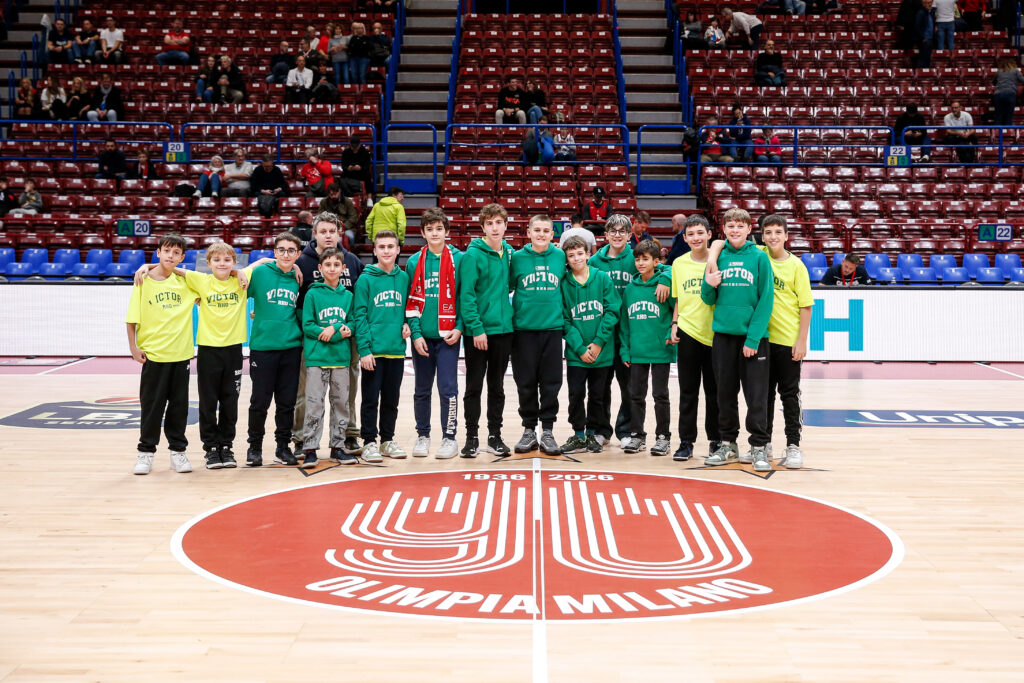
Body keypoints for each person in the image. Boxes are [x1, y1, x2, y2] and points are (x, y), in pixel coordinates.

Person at [134, 243, 269, 469]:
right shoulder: (200, 280)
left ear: (234, 262)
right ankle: (211, 450)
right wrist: (146, 266)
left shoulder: (241, 277)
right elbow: (172, 267)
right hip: (208, 350)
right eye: (217, 260)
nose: (222, 264)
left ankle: (226, 447)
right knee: (208, 403)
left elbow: (264, 261)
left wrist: (293, 267)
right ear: (208, 263)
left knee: (230, 403)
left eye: (227, 260)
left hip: (234, 350)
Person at [701, 208, 775, 472]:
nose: (735, 230)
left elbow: (766, 300)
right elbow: (707, 298)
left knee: (756, 396)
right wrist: (708, 283)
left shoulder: (759, 257)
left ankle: (759, 446)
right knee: (724, 394)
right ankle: (727, 444)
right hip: (723, 337)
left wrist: (753, 339)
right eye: (730, 226)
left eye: (740, 226)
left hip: (752, 339)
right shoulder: (717, 256)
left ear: (749, 229)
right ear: (724, 229)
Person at [589, 214, 671, 447]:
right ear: (606, 234)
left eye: (622, 231)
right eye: (613, 231)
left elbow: (665, 268)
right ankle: (601, 430)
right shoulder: (594, 261)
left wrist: (666, 279)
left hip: (630, 333)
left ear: (629, 235)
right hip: (603, 333)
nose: (617, 235)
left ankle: (627, 431)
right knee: (600, 386)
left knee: (629, 388)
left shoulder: (636, 257)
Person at [292, 213, 364, 456]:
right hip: (314, 338)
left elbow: (360, 296)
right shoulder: (302, 262)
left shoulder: (352, 261)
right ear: (314, 234)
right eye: (323, 232)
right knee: (307, 392)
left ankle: (348, 435)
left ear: (339, 233)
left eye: (332, 231)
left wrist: (346, 328)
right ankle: (301, 438)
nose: (328, 236)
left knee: (347, 390)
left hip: (345, 339)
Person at [126, 233, 196, 475]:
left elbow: (216, 279)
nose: (171, 256)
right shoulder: (143, 281)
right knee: (152, 407)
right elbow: (132, 318)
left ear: (182, 257)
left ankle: (178, 453)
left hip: (181, 355)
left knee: (179, 408)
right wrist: (133, 347)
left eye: (176, 253)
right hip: (154, 355)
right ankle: (145, 453)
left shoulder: (187, 283)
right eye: (167, 251)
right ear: (158, 252)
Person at [405, 208, 464, 459]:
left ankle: (450, 438)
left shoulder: (459, 259)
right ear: (422, 233)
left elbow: (464, 297)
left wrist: (460, 327)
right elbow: (410, 301)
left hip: (449, 337)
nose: (435, 233)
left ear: (447, 231)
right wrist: (416, 334)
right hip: (422, 338)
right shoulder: (413, 262)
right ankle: (423, 435)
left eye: (439, 228)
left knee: (448, 388)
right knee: (422, 389)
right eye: (429, 229)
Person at [458, 203, 515, 458]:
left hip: (503, 331)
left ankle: (495, 436)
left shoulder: (510, 253)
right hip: (478, 333)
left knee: (497, 387)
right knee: (473, 387)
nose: (494, 227)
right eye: (489, 223)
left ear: (506, 225)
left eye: (498, 222)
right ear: (482, 227)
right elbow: (467, 295)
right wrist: (476, 328)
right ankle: (471, 437)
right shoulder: (472, 255)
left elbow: (510, 285)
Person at [245, 232, 304, 467]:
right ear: (274, 252)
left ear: (298, 254)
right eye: (281, 250)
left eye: (291, 250)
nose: (286, 254)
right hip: (263, 348)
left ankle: (283, 447)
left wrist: (295, 267)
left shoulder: (299, 278)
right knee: (259, 402)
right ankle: (254, 448)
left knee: (286, 403)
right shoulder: (260, 273)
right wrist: (260, 261)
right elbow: (235, 279)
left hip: (291, 348)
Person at [757, 215, 811, 469]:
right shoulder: (758, 255)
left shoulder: (796, 266)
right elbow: (721, 243)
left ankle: (793, 445)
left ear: (787, 236)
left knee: (789, 395)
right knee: (763, 395)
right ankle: (764, 443)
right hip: (762, 340)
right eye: (768, 232)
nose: (773, 237)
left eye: (778, 232)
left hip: (788, 341)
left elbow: (806, 306)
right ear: (762, 236)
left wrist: (801, 341)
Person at [508, 215, 566, 456]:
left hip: (552, 329)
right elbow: (507, 287)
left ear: (552, 234)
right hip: (523, 330)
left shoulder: (560, 256)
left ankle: (548, 431)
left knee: (551, 383)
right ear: (529, 232)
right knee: (526, 382)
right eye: (537, 230)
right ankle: (529, 429)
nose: (541, 234)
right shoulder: (517, 258)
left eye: (546, 231)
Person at [352, 230, 411, 462]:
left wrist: (407, 324)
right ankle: (369, 442)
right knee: (370, 400)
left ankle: (387, 440)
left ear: (398, 250)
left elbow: (408, 309)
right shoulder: (365, 279)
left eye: (390, 246)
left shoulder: (403, 278)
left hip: (396, 349)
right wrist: (364, 350)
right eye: (382, 247)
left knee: (391, 400)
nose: (386, 251)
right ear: (375, 251)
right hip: (373, 352)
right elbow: (359, 317)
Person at [559, 235, 621, 454]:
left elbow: (612, 311)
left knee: (597, 396)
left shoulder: (602, 278)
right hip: (577, 355)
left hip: (602, 352)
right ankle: (578, 435)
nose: (576, 258)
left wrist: (598, 342)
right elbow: (565, 320)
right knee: (576, 394)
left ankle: (593, 434)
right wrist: (579, 348)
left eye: (580, 253)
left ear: (588, 254)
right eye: (571, 255)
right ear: (566, 259)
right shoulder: (564, 284)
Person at [619, 239, 677, 457]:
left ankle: (663, 437)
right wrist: (625, 349)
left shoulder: (664, 285)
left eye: (645, 259)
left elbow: (676, 310)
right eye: (638, 259)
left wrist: (671, 332)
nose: (641, 263)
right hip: (637, 351)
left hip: (661, 349)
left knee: (660, 395)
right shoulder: (630, 289)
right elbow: (624, 323)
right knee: (636, 395)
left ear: (656, 262)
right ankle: (637, 435)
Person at [300, 247, 357, 468]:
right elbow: (307, 325)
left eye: (336, 265)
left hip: (341, 359)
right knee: (314, 405)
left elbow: (351, 323)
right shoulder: (312, 294)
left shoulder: (348, 296)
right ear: (320, 268)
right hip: (317, 358)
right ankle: (310, 448)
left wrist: (334, 329)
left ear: (343, 268)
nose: (332, 268)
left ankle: (337, 447)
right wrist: (335, 332)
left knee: (341, 404)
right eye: (327, 264)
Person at [669, 215, 720, 461]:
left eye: (700, 233)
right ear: (685, 237)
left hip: (715, 334)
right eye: (691, 234)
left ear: (709, 234)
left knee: (714, 392)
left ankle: (716, 440)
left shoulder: (720, 259)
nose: (696, 238)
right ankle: (686, 442)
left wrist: (715, 252)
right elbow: (679, 297)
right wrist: (674, 323)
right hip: (688, 332)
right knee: (688, 392)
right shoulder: (678, 263)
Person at [993, 58, 1024, 127]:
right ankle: (1008, 132)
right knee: (1009, 116)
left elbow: (994, 82)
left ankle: (996, 132)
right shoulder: (1016, 71)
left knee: (998, 116)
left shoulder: (999, 71)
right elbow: (1023, 80)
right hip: (1010, 94)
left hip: (998, 94)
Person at [915, 0, 935, 69]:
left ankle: (925, 72)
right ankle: (920, 72)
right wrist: (922, 37)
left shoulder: (929, 12)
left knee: (927, 58)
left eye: (931, 3)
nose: (930, 4)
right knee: (923, 58)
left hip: (930, 38)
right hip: (925, 39)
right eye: (928, 3)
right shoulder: (921, 13)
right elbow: (917, 26)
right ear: (923, 4)